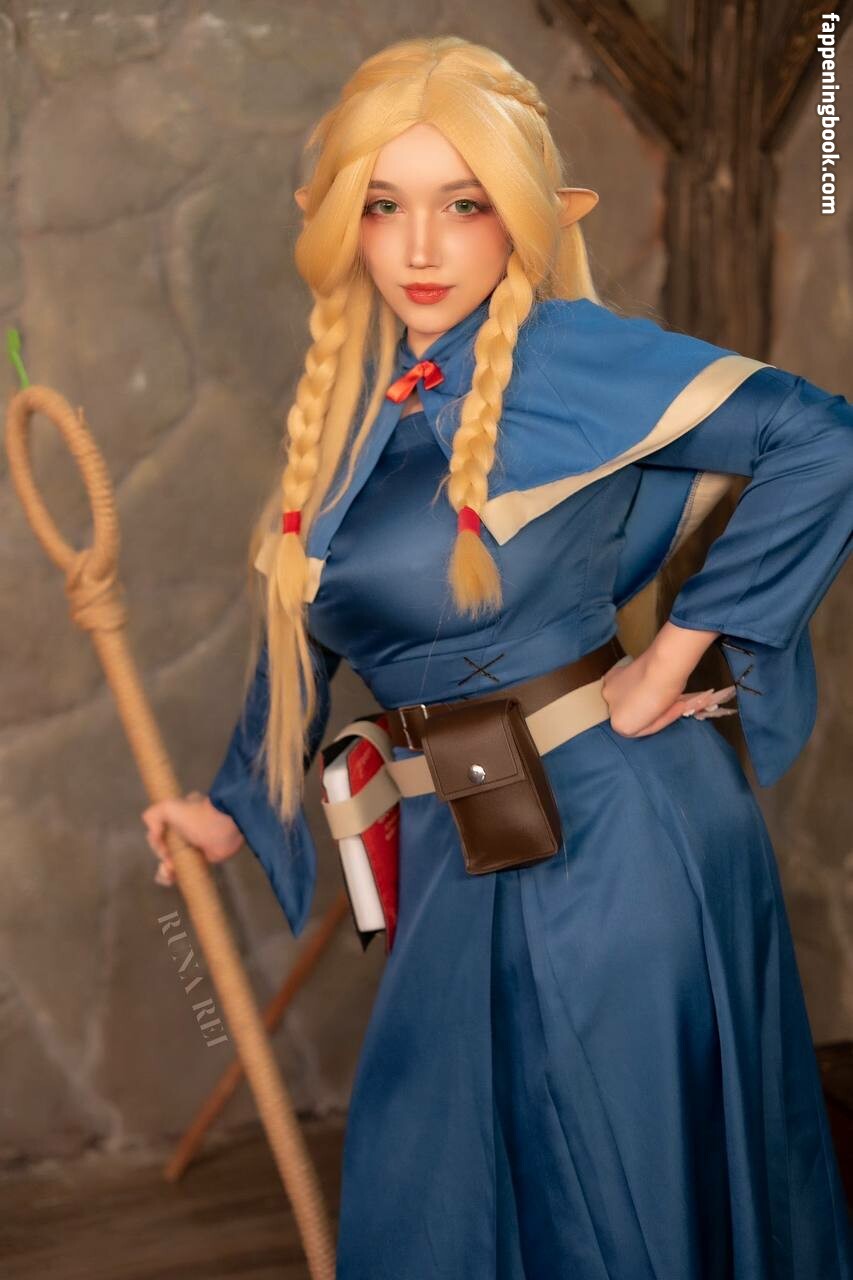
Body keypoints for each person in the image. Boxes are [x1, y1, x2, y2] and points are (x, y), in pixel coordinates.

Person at [141, 36, 853, 1279]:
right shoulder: (360, 403)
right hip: (458, 854)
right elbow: (306, 630)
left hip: (616, 847)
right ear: (344, 223)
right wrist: (229, 804)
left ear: (518, 216)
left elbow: (820, 440)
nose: (420, 246)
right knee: (447, 1202)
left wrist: (665, 660)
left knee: (611, 1212)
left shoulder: (569, 354)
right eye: (385, 205)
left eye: (462, 204)